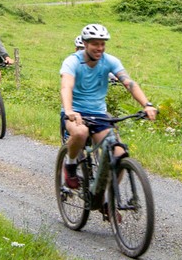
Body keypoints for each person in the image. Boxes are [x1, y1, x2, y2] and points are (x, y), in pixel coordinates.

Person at [59, 23, 156, 191]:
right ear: (85, 43)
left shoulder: (110, 61)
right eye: (95, 43)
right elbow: (66, 86)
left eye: (102, 44)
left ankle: (108, 200)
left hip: (99, 114)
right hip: (75, 112)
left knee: (118, 154)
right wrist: (69, 110)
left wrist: (146, 104)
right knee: (81, 132)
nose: (99, 48)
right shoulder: (72, 61)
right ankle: (71, 165)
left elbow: (129, 83)